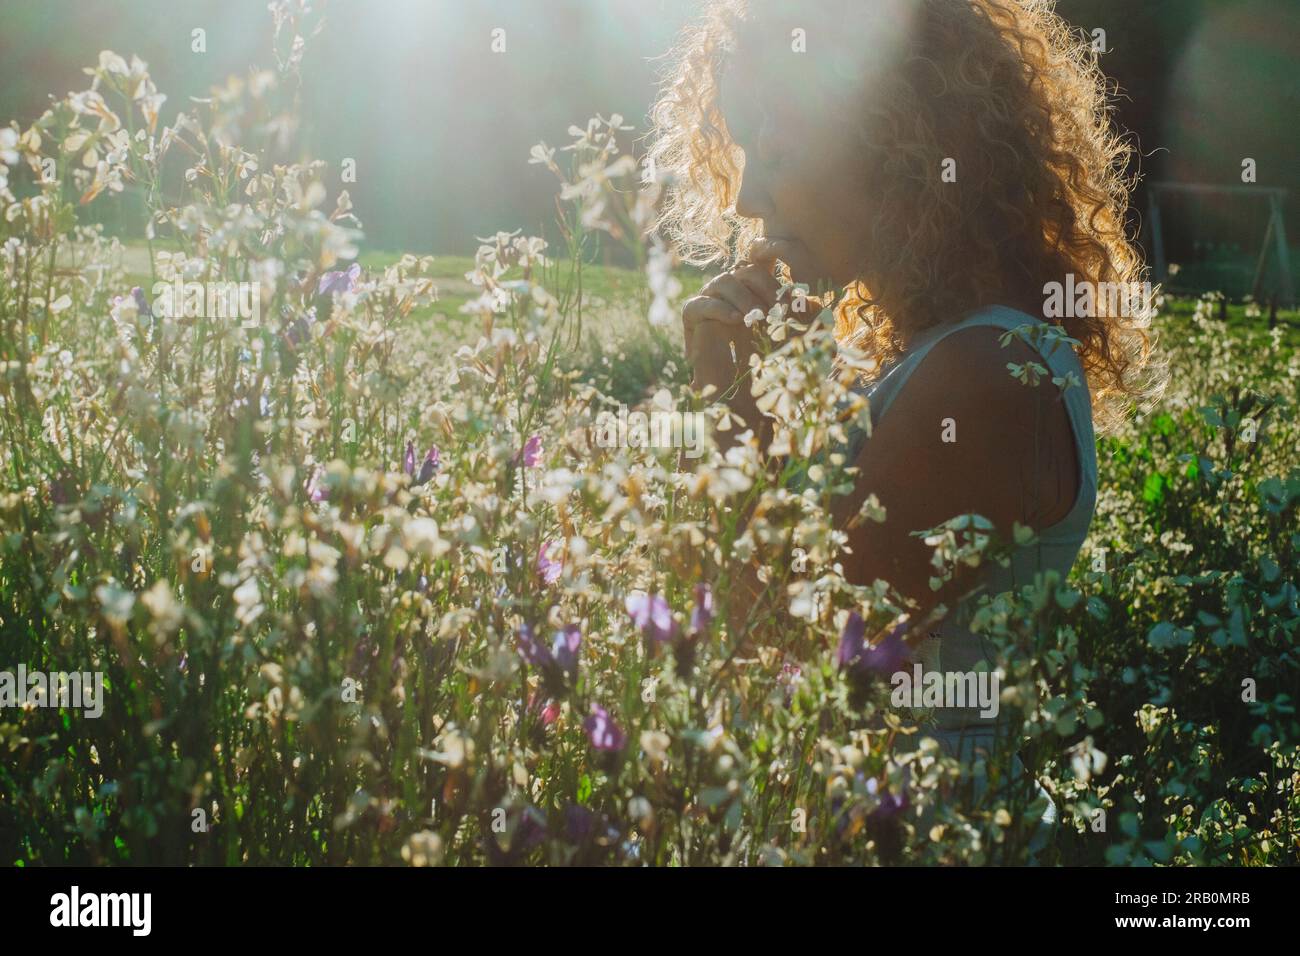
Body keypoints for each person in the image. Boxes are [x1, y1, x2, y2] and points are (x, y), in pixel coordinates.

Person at [647, 0, 1161, 850]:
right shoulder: (923, 354)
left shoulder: (990, 371)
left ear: (896, 141)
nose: (746, 195)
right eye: (742, 148)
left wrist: (729, 397)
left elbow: (784, 640)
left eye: (776, 144)